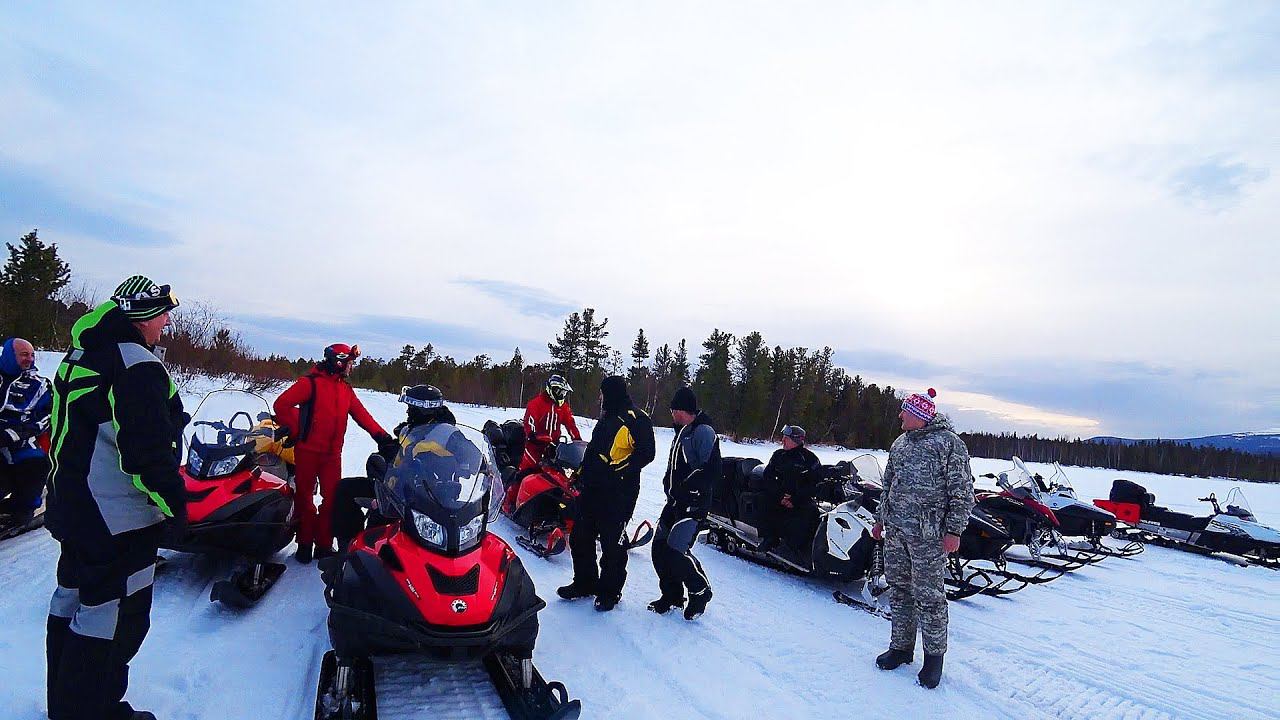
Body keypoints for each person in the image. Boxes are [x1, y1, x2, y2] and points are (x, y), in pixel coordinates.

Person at [44, 275, 185, 720]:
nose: (166, 321)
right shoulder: (136, 363)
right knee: (116, 617)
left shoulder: (82, 351)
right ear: (144, 315)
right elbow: (146, 455)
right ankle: (96, 711)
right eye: (163, 312)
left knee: (71, 601)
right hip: (116, 518)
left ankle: (65, 707)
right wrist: (178, 507)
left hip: (73, 506)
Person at [869, 388, 974, 689]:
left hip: (929, 538)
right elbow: (887, 486)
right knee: (899, 591)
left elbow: (962, 492)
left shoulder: (949, 444)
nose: (900, 416)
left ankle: (933, 661)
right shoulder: (900, 444)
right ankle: (901, 648)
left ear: (918, 415)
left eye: (904, 411)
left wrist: (954, 530)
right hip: (897, 534)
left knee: (929, 598)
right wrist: (880, 520)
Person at [273, 343, 393, 563]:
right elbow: (281, 405)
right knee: (304, 499)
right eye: (349, 363)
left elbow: (363, 416)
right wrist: (299, 430)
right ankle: (304, 544)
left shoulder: (345, 389)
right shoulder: (310, 384)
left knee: (332, 500)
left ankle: (324, 545)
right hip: (307, 452)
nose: (351, 367)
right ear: (338, 362)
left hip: (331, 456)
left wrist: (382, 438)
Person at [556, 376, 655, 612]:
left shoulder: (637, 419)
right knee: (580, 536)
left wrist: (619, 471)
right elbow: (593, 450)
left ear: (611, 393)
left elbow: (647, 453)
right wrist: (580, 474)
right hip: (592, 489)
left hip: (619, 493)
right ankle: (585, 582)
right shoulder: (607, 418)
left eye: (602, 393)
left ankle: (609, 592)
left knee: (612, 544)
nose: (599, 398)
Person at [332, 384, 456, 551]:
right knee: (345, 488)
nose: (408, 411)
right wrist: (389, 451)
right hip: (396, 488)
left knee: (378, 524)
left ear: (424, 410)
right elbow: (400, 452)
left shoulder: (449, 435)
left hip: (425, 496)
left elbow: (471, 455)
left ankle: (376, 556)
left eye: (411, 408)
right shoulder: (410, 428)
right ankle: (349, 547)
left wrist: (477, 467)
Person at [648, 386, 720, 620]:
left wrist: (688, 487)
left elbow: (711, 470)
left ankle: (700, 591)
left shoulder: (703, 431)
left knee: (676, 551)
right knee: (659, 549)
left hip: (693, 504)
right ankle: (672, 596)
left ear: (682, 410)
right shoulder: (682, 430)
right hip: (675, 502)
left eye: (674, 410)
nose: (671, 414)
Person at [502, 375, 582, 512]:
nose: (562, 395)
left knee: (560, 479)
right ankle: (508, 502)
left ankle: (555, 506)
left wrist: (578, 441)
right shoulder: (536, 404)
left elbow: (570, 424)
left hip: (554, 448)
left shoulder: (562, 407)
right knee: (524, 474)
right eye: (560, 392)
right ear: (552, 390)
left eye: (564, 392)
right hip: (534, 447)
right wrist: (535, 436)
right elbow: (529, 425)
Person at [0, 337, 52, 532]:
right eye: (23, 354)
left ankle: (21, 511)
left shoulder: (39, 385)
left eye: (31, 355)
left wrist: (18, 432)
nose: (29, 359)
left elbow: (48, 415)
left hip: (23, 441)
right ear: (9, 355)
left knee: (35, 468)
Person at [755, 424, 822, 558]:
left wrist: (795, 499)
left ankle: (801, 546)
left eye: (786, 438)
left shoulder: (810, 460)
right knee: (761, 499)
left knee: (811, 512)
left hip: (799, 499)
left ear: (796, 440)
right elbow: (768, 476)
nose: (782, 441)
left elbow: (816, 484)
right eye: (783, 438)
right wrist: (780, 496)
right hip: (778, 495)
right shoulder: (778, 455)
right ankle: (768, 538)